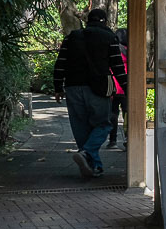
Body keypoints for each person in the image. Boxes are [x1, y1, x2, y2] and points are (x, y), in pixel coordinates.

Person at [53, 9, 128, 178]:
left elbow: (61, 62)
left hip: (72, 87)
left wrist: (58, 87)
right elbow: (118, 68)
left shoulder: (72, 37)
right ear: (105, 21)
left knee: (81, 127)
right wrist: (127, 87)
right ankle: (87, 153)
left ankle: (95, 166)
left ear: (87, 20)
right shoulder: (109, 38)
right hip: (98, 88)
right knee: (103, 124)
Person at [106, 28, 128, 150]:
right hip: (126, 87)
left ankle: (112, 141)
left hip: (113, 87)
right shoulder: (130, 51)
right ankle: (128, 138)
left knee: (113, 115)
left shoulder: (112, 50)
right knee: (127, 114)